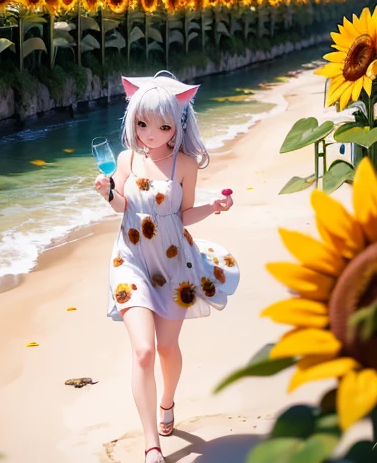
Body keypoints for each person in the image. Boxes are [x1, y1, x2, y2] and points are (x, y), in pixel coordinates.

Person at [94, 73, 239, 463]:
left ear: (178, 124)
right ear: (133, 121)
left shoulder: (186, 163)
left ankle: (167, 402)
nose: (150, 133)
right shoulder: (126, 158)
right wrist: (108, 192)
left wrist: (213, 207)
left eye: (162, 125)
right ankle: (151, 444)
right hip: (130, 261)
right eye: (142, 123)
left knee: (167, 348)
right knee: (143, 351)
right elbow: (122, 206)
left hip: (174, 264)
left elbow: (184, 214)